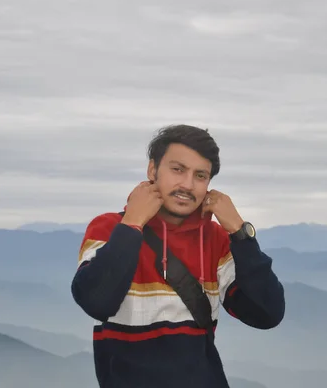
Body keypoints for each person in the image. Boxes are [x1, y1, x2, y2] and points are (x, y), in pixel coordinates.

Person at [71, 124, 285, 388]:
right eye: (177, 169)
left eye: (200, 175)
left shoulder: (216, 240)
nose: (187, 184)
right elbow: (96, 301)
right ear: (152, 170)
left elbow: (267, 314)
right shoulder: (108, 229)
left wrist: (240, 233)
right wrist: (133, 223)